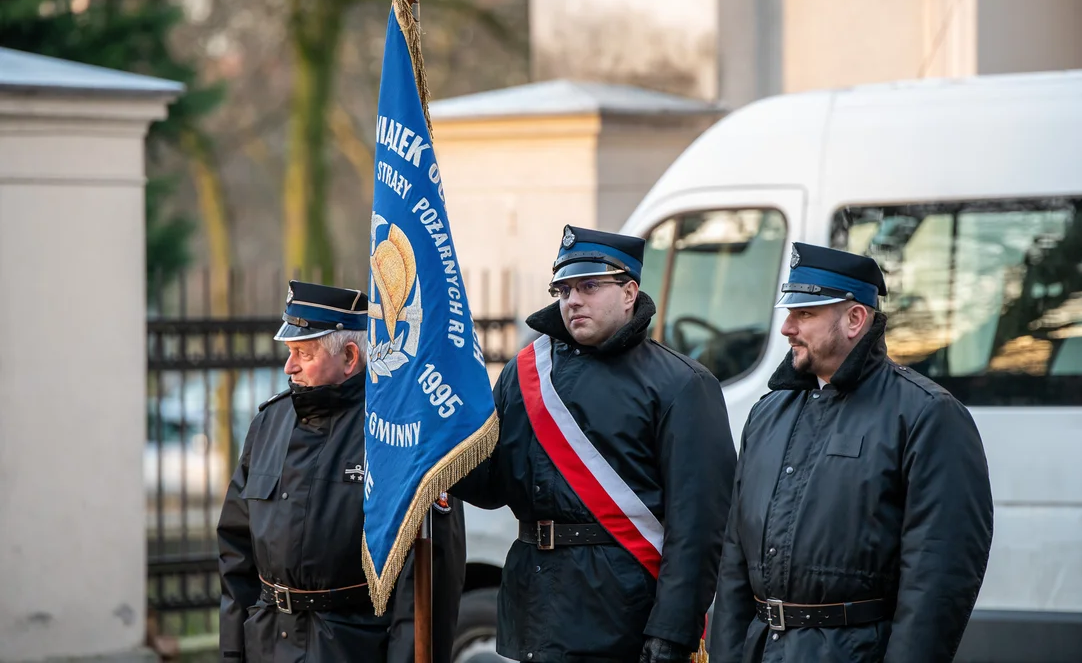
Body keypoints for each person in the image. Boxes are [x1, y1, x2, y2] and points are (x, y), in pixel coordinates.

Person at [453, 225, 738, 663]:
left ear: (629, 292)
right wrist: (436, 449)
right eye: (564, 289)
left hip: (621, 618)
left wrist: (672, 633)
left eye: (589, 286)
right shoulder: (525, 373)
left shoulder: (682, 385)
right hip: (533, 606)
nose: (572, 300)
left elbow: (698, 530)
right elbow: (493, 484)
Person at [709, 242, 994, 663]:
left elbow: (939, 576)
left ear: (855, 319)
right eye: (789, 313)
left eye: (804, 314)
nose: (787, 328)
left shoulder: (927, 415)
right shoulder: (767, 414)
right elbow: (735, 556)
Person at [217, 280, 466, 663]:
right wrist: (233, 650)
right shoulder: (269, 423)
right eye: (289, 351)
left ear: (350, 357)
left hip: (350, 647)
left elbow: (422, 582)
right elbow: (235, 552)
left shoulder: (397, 434)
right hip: (266, 643)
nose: (289, 366)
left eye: (304, 352)